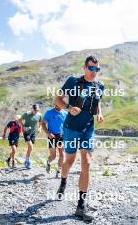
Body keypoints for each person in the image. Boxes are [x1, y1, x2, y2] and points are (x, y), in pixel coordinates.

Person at [55, 55, 104, 222]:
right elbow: (57, 99)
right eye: (91, 68)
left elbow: (98, 103)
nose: (94, 72)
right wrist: (68, 108)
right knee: (69, 161)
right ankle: (63, 180)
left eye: (97, 69)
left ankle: (80, 206)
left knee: (87, 163)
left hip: (88, 129)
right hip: (71, 128)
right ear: (84, 67)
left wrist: (99, 113)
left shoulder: (100, 86)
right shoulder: (72, 82)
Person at [41, 104, 67, 178]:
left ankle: (58, 171)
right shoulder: (49, 113)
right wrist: (48, 133)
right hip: (52, 136)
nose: (59, 106)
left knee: (62, 154)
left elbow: (67, 125)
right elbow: (43, 123)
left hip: (61, 136)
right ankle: (48, 163)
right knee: (53, 156)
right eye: (57, 104)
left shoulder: (65, 113)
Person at [19, 104, 42, 169]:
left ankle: (26, 160)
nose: (36, 111)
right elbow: (20, 120)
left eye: (37, 110)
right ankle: (28, 161)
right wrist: (23, 127)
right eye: (35, 110)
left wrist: (40, 128)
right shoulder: (27, 114)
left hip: (33, 133)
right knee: (31, 146)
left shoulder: (39, 115)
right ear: (32, 109)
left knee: (30, 148)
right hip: (26, 132)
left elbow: (40, 122)